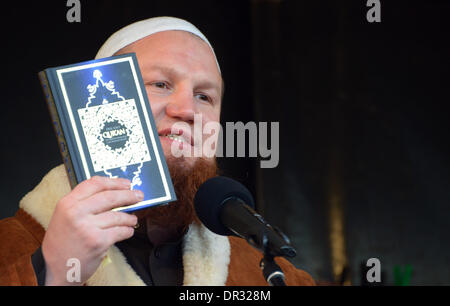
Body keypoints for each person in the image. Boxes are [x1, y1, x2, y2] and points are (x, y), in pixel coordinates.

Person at [0, 17, 315, 286]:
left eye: (204, 96)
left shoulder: (269, 276)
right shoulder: (10, 246)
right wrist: (52, 273)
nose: (187, 109)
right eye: (161, 84)